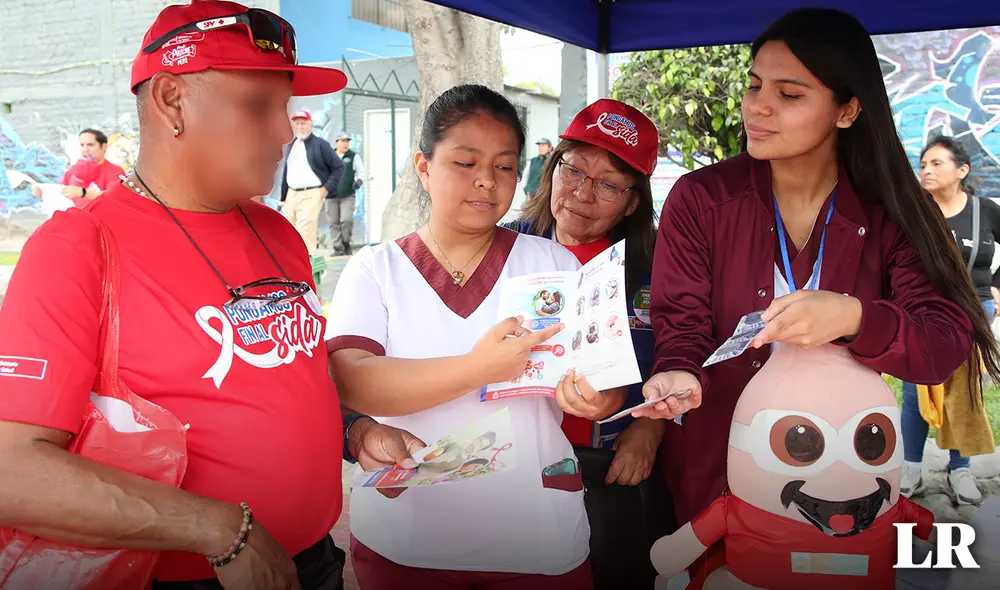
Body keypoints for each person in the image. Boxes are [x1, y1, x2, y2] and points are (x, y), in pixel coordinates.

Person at [0, 2, 421, 589]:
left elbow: (288, 375)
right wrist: (219, 530)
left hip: (314, 563)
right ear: (172, 100)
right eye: (257, 105)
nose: (282, 130)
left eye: (284, 107)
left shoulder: (276, 231)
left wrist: (353, 430)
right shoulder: (77, 246)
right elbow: (11, 471)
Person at [632, 7, 998, 586]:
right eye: (754, 85)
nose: (757, 105)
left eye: (789, 93)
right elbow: (681, 323)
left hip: (845, 484)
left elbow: (940, 344)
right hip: (721, 474)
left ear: (848, 109)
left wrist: (854, 317)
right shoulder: (700, 199)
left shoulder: (892, 213)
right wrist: (678, 372)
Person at [326, 84, 627, 590]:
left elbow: (607, 386)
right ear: (424, 167)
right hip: (409, 537)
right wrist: (479, 367)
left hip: (535, 533)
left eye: (505, 166)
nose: (487, 181)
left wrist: (596, 398)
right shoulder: (375, 269)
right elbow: (353, 381)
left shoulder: (552, 262)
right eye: (465, 163)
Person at [508, 98, 672, 590]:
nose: (582, 193)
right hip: (520, 459)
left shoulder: (656, 268)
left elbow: (680, 352)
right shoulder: (505, 248)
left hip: (611, 460)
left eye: (608, 184)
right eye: (573, 170)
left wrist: (652, 426)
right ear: (552, 167)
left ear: (633, 200)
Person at [898, 136, 1000, 505]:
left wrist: (998, 288)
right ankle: (911, 468)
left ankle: (961, 469)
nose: (926, 170)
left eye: (936, 163)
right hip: (923, 313)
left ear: (962, 170)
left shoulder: (984, 211)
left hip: (974, 311)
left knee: (964, 393)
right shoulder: (912, 211)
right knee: (915, 391)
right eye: (923, 164)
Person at [280, 109, 344, 253]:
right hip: (292, 194)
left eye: (303, 123)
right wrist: (283, 197)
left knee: (305, 231)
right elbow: (287, 171)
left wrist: (325, 188)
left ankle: (307, 264)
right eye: (297, 123)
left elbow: (338, 167)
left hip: (311, 192)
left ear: (310, 124)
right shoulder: (293, 145)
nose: (300, 127)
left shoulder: (320, 144)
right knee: (288, 229)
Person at [32, 129, 126, 206]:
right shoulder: (73, 171)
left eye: (90, 145)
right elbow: (62, 192)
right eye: (82, 145)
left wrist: (84, 193)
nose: (85, 149)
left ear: (104, 146)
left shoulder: (115, 172)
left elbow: (115, 199)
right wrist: (42, 190)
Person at [326, 131, 364, 256]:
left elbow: (360, 171)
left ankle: (346, 242)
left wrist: (359, 181)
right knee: (333, 222)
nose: (345, 144)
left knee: (346, 220)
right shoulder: (329, 156)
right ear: (336, 143)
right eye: (342, 141)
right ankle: (338, 248)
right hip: (331, 195)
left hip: (347, 194)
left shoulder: (353, 156)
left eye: (347, 141)